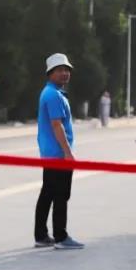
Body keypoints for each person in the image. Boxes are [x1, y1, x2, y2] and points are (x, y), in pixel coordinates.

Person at [34, 53, 84, 250]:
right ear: (50, 73)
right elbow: (57, 126)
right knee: (61, 194)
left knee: (48, 193)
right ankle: (61, 236)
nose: (64, 73)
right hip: (58, 153)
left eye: (67, 70)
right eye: (59, 70)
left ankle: (41, 235)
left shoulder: (49, 92)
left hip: (51, 153)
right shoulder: (53, 95)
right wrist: (68, 152)